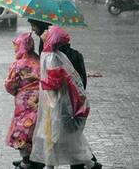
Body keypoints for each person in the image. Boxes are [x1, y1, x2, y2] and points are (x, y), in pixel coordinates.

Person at [29, 25, 101, 169]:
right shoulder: (53, 55)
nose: (43, 33)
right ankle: (87, 163)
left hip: (55, 104)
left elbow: (53, 83)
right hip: (55, 103)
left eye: (47, 32)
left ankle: (87, 163)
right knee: (62, 137)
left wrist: (38, 80)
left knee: (54, 136)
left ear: (51, 38)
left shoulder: (51, 57)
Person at [4, 33, 40, 169]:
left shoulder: (18, 64)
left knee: (20, 131)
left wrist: (18, 92)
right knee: (34, 129)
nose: (14, 48)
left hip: (24, 102)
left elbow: (9, 84)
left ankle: (26, 161)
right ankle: (35, 159)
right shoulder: (38, 60)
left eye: (16, 46)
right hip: (39, 100)